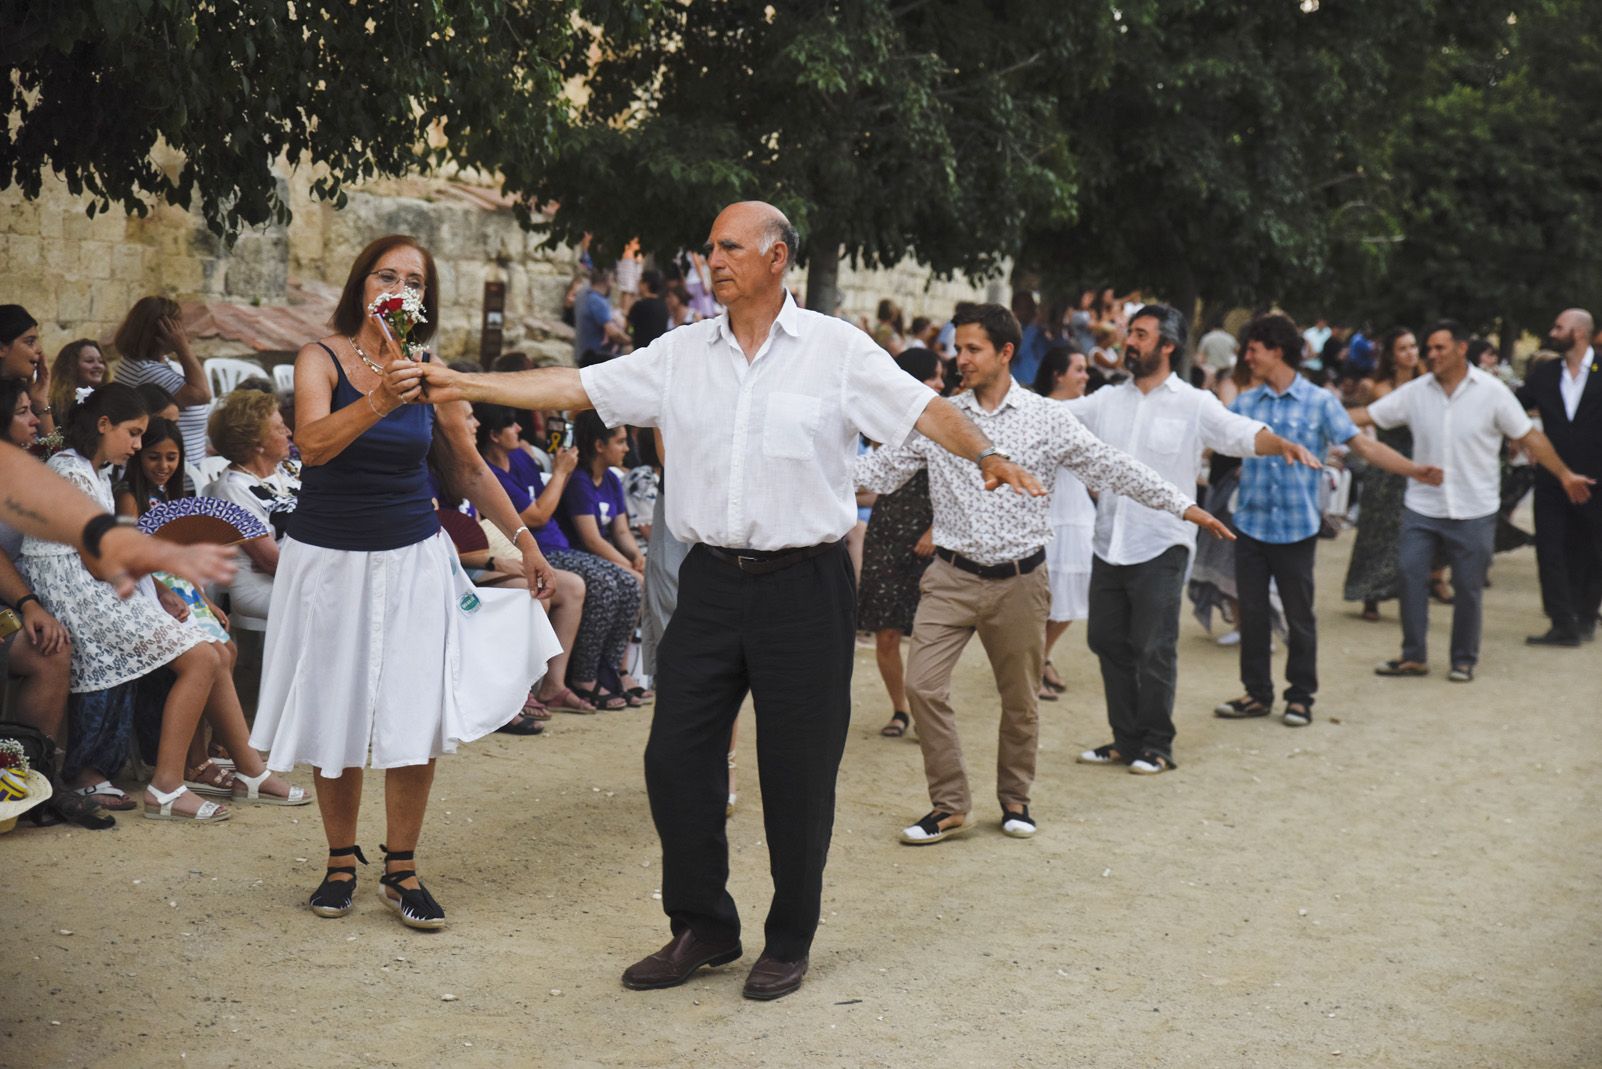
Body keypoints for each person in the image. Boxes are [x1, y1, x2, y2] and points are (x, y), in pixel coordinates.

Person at [413, 201, 1046, 1002]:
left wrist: (985, 452)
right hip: (711, 581)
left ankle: (790, 937)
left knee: (797, 772)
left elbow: (925, 410)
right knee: (675, 757)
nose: (712, 259)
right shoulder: (681, 353)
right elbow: (576, 384)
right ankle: (704, 925)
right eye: (710, 247)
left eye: (730, 247)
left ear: (777, 258)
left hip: (807, 585)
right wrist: (462, 382)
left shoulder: (837, 350)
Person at [248, 235, 562, 930]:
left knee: (412, 709)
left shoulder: (430, 369)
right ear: (362, 286)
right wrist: (380, 399)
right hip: (329, 558)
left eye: (413, 280)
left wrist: (526, 540)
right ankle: (339, 862)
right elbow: (313, 444)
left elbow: (470, 468)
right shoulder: (320, 357)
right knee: (335, 705)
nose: (398, 288)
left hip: (412, 555)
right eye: (385, 275)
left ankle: (402, 868)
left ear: (424, 299)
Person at [856, 303, 1232, 837]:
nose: (961, 359)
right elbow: (879, 471)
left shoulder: (1046, 418)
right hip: (950, 577)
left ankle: (1015, 800)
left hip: (1020, 582)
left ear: (1005, 352)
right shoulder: (941, 417)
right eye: (958, 348)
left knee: (1020, 701)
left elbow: (1111, 466)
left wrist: (1183, 506)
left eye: (973, 349)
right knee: (923, 687)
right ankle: (950, 804)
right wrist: (800, 473)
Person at [1060, 306, 1319, 773]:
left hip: (1162, 542)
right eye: (1129, 333)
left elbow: (1238, 433)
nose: (1129, 341)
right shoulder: (1106, 400)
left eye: (1141, 334)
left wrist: (1278, 443)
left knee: (1153, 645)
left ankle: (1157, 745)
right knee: (1105, 640)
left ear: (1167, 346)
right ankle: (1125, 739)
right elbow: (1054, 416)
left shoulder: (1194, 402)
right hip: (1109, 541)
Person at [22, 385, 261, 821]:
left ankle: (206, 775)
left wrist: (160, 588)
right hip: (77, 596)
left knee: (209, 651)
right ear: (103, 425)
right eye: (133, 433)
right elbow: (98, 564)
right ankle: (168, 786)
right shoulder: (70, 471)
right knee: (201, 658)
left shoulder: (96, 473)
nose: (137, 445)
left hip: (97, 589)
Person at [1215, 315, 1441, 727]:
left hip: (1297, 528)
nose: (1247, 357)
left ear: (1277, 351)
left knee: (1300, 616)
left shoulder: (1319, 401)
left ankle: (1300, 697)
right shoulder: (1246, 404)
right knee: (1253, 615)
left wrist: (1414, 470)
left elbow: (1364, 448)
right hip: (1249, 526)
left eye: (1253, 350)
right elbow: (1215, 441)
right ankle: (1256, 694)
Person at [1348, 320, 1594, 680]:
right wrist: (1322, 415)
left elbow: (1530, 436)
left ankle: (1463, 660)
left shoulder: (1492, 392)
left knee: (1468, 588)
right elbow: (1368, 415)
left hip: (1474, 508)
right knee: (1409, 574)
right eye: (1428, 348)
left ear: (1462, 349)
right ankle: (1413, 656)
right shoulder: (1416, 392)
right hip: (1423, 506)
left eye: (1440, 348)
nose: (1431, 355)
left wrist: (1565, 474)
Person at [0, 379, 113, 829]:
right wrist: (29, 604)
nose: (35, 420)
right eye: (23, 412)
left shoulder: (31, 463)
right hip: (14, 597)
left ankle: (35, 780)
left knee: (51, 650)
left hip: (10, 600)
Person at [476, 403, 639, 711]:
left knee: (628, 584)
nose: (520, 429)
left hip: (558, 547)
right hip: (534, 550)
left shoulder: (521, 457)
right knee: (604, 581)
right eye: (511, 425)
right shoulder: (489, 472)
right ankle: (584, 677)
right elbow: (537, 516)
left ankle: (604, 674)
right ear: (494, 435)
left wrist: (633, 558)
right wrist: (561, 472)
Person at [858, 348, 944, 738]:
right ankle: (900, 709)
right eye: (934, 376)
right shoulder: (884, 422)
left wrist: (934, 531)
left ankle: (927, 709)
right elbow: (877, 482)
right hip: (886, 534)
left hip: (929, 537)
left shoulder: (942, 423)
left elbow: (956, 487)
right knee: (887, 631)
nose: (941, 383)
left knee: (931, 635)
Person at [1518, 308, 1602, 645]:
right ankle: (1562, 621)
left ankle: (1586, 615)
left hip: (1596, 480)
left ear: (1579, 332)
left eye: (1559, 327)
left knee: (1592, 549)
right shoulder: (1546, 373)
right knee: (1550, 548)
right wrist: (1522, 436)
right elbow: (1513, 407)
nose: (1552, 333)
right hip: (1551, 478)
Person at [1342, 328, 1425, 620]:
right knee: (1376, 533)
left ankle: (1415, 589)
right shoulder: (1381, 388)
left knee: (1414, 534)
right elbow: (1399, 412)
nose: (1411, 353)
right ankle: (1370, 593)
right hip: (1386, 468)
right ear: (1391, 356)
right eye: (1403, 348)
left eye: (1413, 346)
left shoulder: (1426, 385)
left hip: (1417, 465)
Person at [200, 390, 299, 619]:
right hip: (263, 584)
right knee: (339, 603)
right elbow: (271, 562)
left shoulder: (288, 470)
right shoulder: (232, 489)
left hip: (301, 573)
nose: (289, 432)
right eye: (280, 428)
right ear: (257, 443)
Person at [1032, 346, 1093, 697]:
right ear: (1058, 375)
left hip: (1078, 510)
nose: (1085, 376)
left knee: (1074, 591)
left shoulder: (1085, 410)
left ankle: (1042, 656)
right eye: (1079, 369)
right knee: (1043, 596)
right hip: (1048, 509)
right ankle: (1033, 664)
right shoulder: (1040, 410)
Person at [111, 297, 213, 467]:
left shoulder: (156, 363)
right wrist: (183, 348)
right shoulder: (145, 370)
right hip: (171, 471)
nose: (183, 331)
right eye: (177, 327)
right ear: (161, 332)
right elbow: (202, 394)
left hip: (187, 467)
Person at [0, 305, 57, 438]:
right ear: (2, 349)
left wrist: (40, 401)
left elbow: (53, 450)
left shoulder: (23, 392)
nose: (39, 350)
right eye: (30, 342)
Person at [574, 268, 631, 360]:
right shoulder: (597, 301)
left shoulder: (583, 293)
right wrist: (631, 341)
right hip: (595, 356)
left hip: (583, 352)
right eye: (613, 279)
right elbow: (614, 333)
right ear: (608, 280)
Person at [48, 339, 107, 421]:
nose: (98, 366)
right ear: (72, 367)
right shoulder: (57, 408)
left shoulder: (108, 401)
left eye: (101, 361)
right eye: (89, 361)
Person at [627, 269, 671, 351]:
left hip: (640, 351)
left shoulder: (639, 305)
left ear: (646, 285)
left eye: (640, 282)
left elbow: (628, 327)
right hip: (658, 351)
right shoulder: (664, 306)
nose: (638, 285)